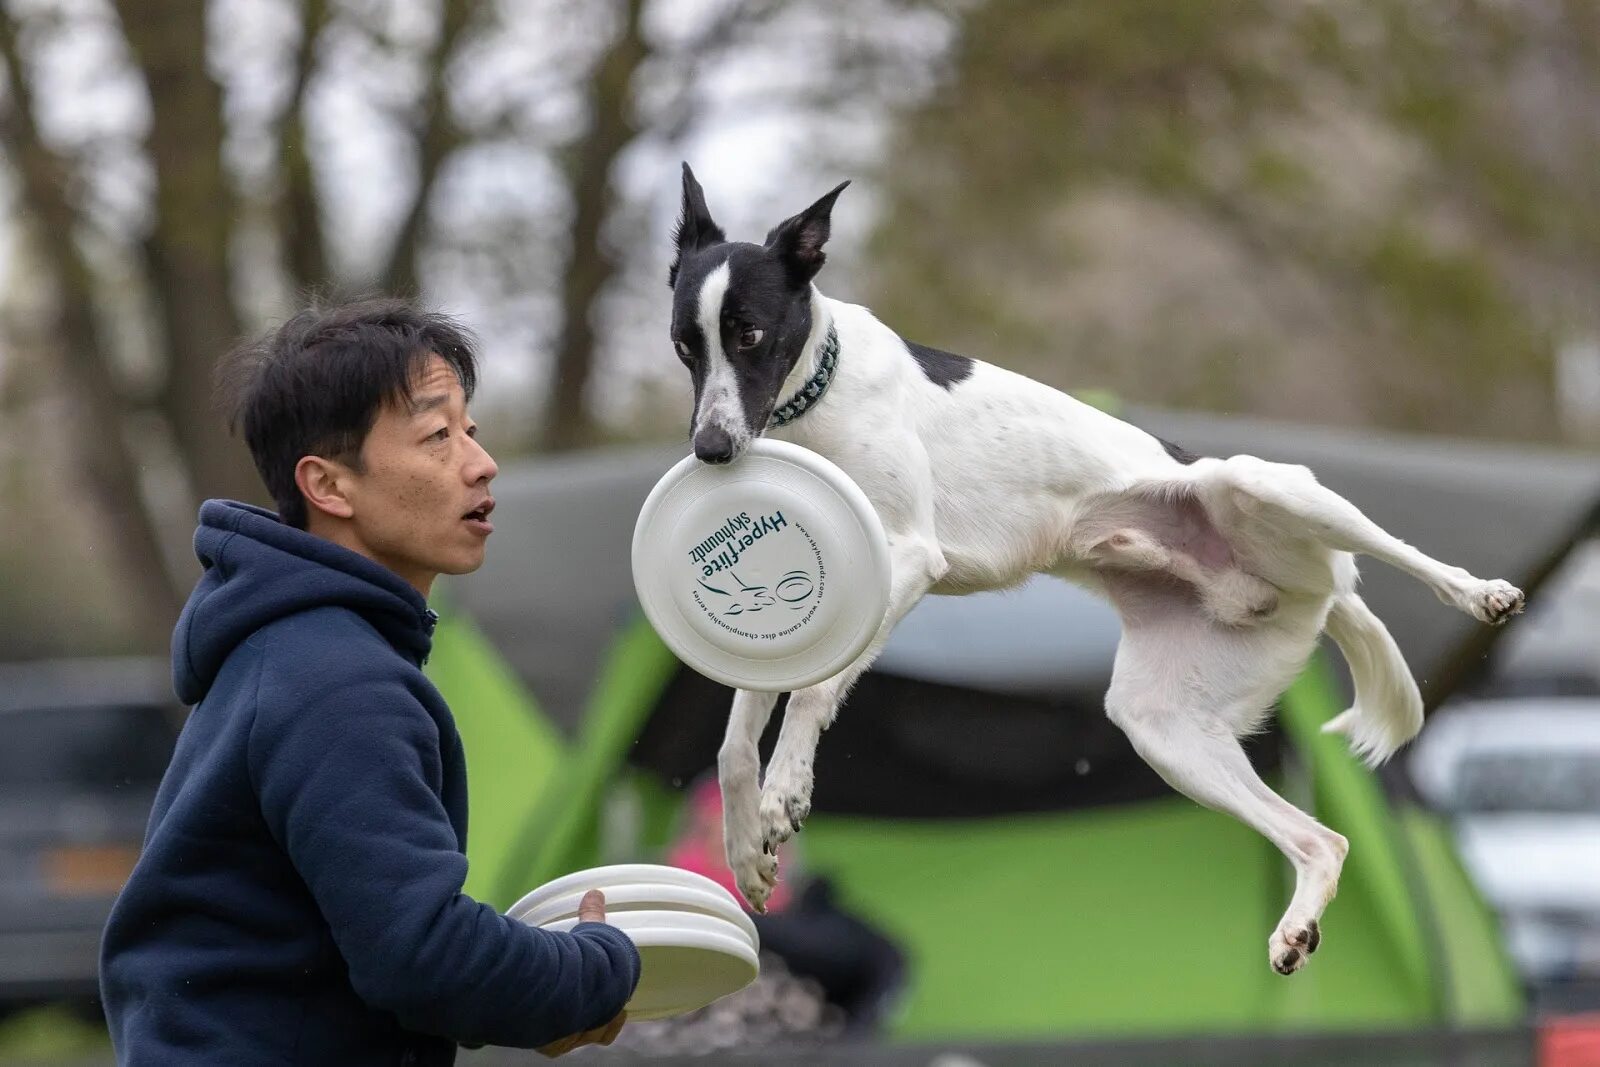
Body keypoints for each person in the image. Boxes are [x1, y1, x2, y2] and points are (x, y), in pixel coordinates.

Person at [99, 299, 639, 1066]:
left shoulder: (301, 649)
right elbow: (423, 956)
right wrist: (601, 965)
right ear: (328, 485)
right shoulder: (334, 680)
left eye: (471, 430)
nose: (480, 463)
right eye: (436, 435)